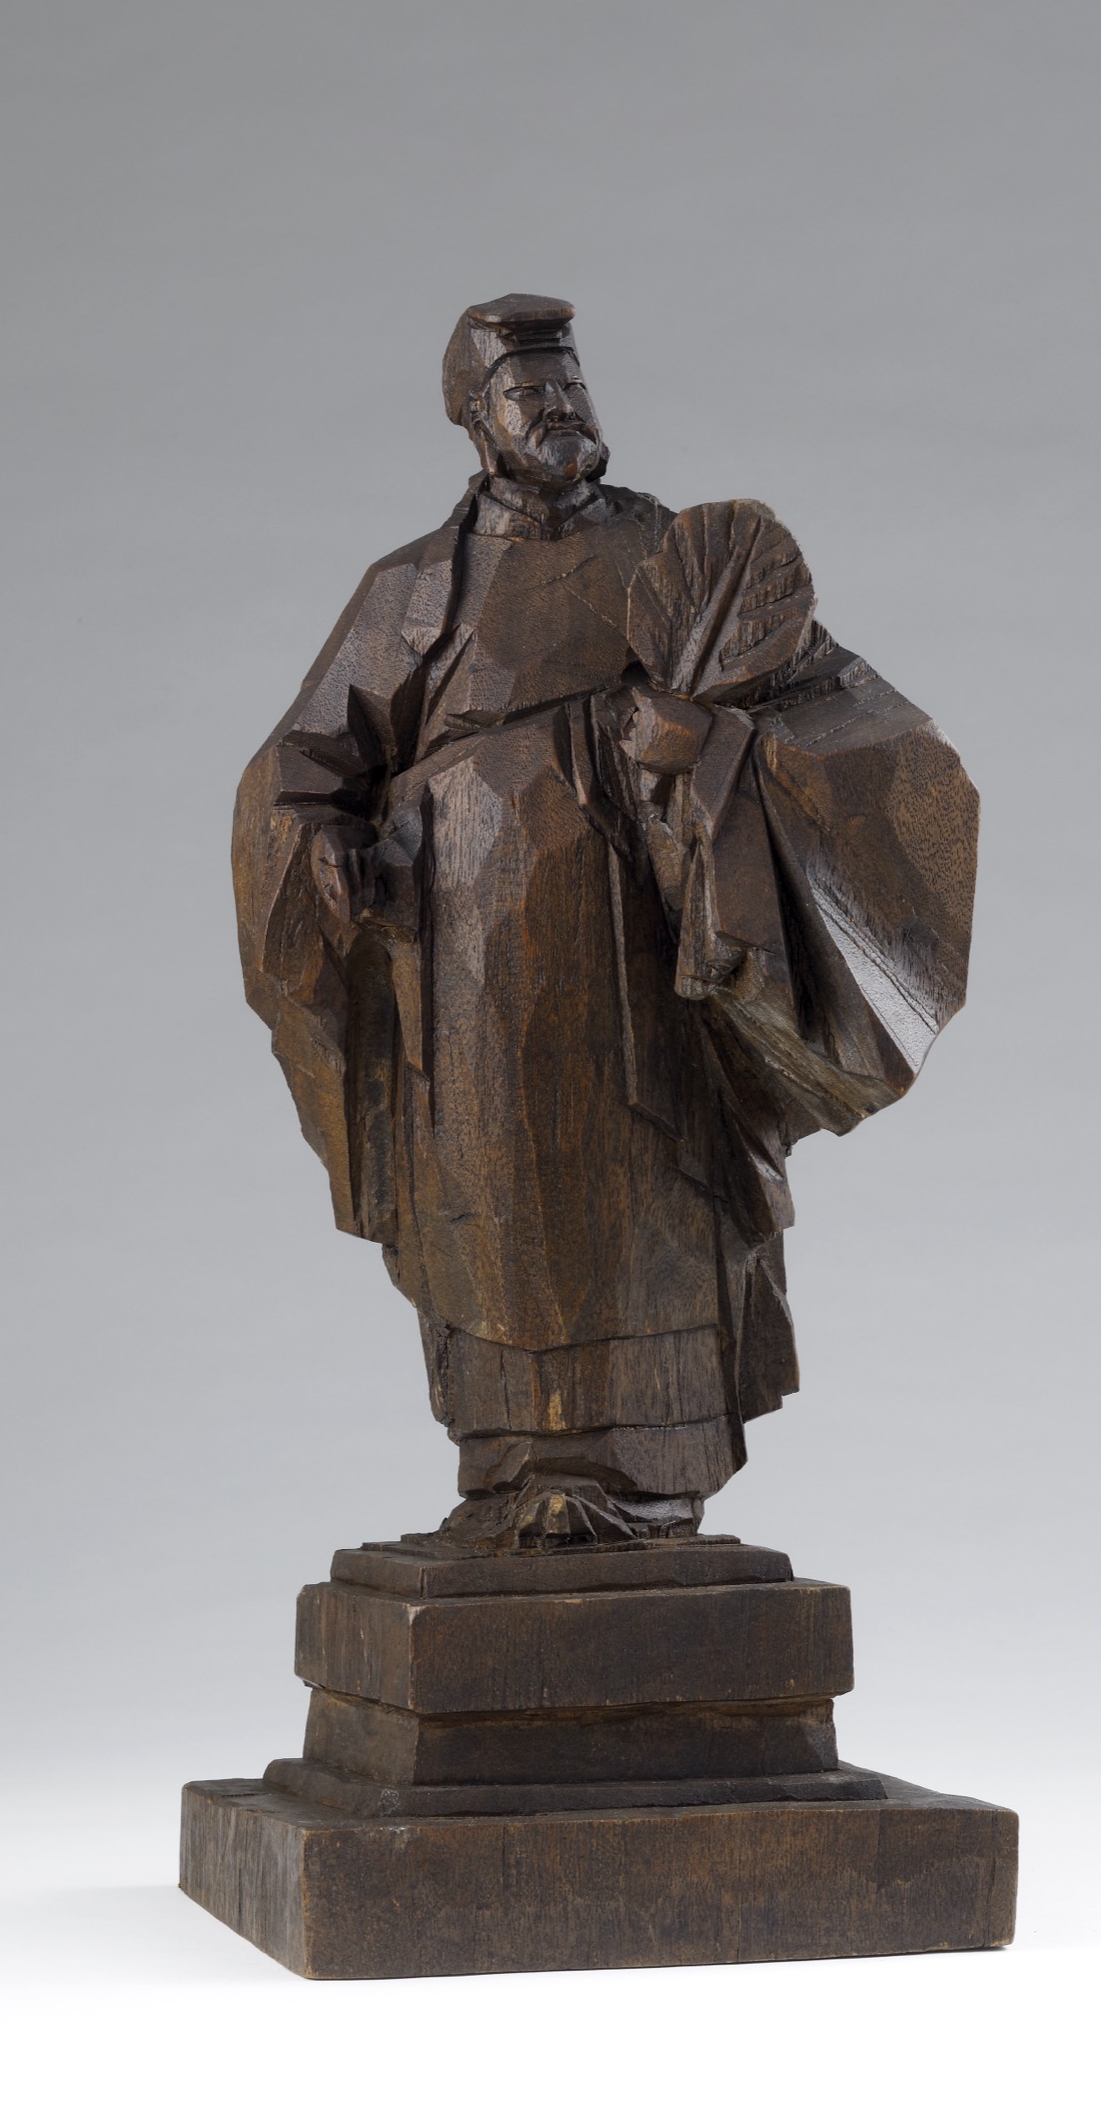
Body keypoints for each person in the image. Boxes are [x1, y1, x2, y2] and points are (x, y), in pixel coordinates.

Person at [233, 295, 978, 1549]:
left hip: (638, 947)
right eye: (528, 392)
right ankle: (510, 1470)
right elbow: (301, 769)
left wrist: (711, 750)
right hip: (465, 963)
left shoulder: (672, 559)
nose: (559, 408)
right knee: (491, 1200)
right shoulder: (413, 588)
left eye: (570, 384)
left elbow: (829, 710)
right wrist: (327, 852)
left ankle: (650, 1471)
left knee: (646, 1192)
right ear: (474, 418)